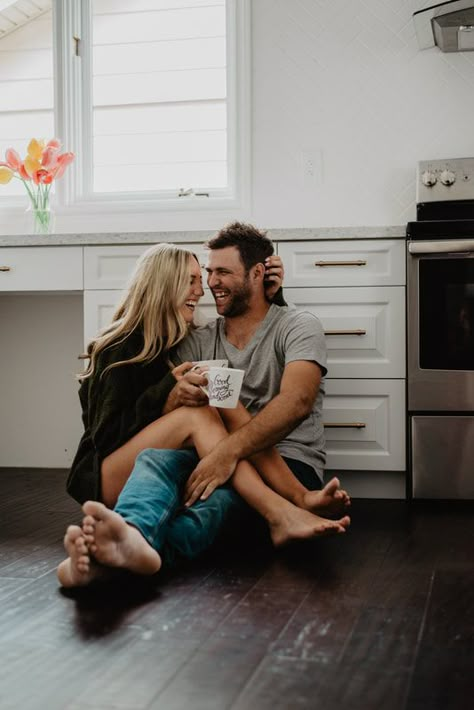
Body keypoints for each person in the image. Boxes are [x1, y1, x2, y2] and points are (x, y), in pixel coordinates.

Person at [58, 239, 350, 587]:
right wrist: (168, 398)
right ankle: (279, 513)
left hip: (255, 460)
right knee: (194, 426)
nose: (207, 286)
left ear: (258, 275)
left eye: (217, 273)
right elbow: (106, 436)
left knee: (208, 486)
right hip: (106, 470)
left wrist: (227, 453)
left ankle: (114, 552)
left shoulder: (182, 338)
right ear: (163, 286)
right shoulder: (131, 346)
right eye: (199, 277)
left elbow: (277, 404)